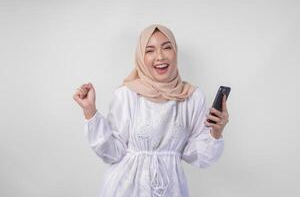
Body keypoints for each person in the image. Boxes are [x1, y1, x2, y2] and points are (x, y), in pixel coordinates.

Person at [73, 24, 229, 197]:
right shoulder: (126, 94)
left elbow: (199, 156)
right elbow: (112, 153)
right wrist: (90, 111)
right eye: (150, 50)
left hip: (171, 190)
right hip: (125, 189)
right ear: (141, 56)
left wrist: (216, 131)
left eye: (166, 47)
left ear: (175, 51)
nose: (160, 57)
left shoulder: (192, 97)